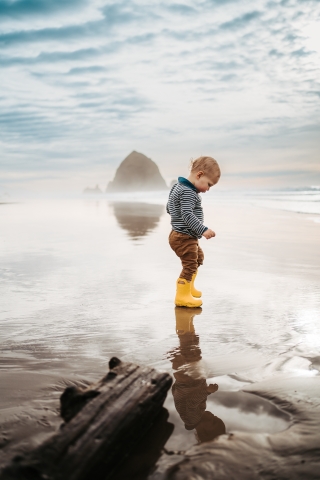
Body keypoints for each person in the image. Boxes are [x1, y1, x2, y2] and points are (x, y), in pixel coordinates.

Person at [167, 156, 221, 307]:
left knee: (198, 258)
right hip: (183, 236)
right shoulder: (189, 193)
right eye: (209, 184)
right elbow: (187, 214)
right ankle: (182, 296)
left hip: (181, 234)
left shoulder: (177, 187)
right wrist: (202, 230)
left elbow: (169, 206)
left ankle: (189, 288)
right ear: (199, 175)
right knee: (190, 264)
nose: (208, 189)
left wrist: (175, 218)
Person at [169, 307, 225, 443]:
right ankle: (188, 321)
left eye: (213, 421)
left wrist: (207, 391)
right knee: (192, 347)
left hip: (187, 379)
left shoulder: (192, 418)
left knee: (188, 347)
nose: (213, 416)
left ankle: (184, 319)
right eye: (216, 418)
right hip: (185, 380)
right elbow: (177, 395)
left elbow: (192, 402)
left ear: (204, 432)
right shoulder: (191, 418)